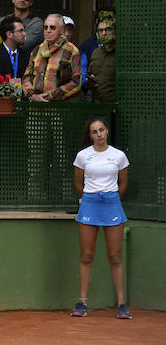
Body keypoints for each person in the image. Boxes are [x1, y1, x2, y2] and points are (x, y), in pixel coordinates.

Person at [70, 116, 131, 320]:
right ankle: (82, 302)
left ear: (107, 131)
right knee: (86, 256)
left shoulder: (119, 155)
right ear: (90, 135)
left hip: (112, 205)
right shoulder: (82, 156)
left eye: (102, 130)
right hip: (89, 205)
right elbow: (79, 184)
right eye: (94, 132)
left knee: (115, 256)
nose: (99, 135)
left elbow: (123, 184)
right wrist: (91, 199)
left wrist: (111, 198)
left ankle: (122, 304)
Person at [22, 13, 82, 102]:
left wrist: (49, 95)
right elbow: (26, 78)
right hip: (36, 106)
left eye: (52, 27)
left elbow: (76, 82)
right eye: (45, 27)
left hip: (61, 106)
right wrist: (32, 96)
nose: (48, 30)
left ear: (62, 30)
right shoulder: (36, 50)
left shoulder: (72, 50)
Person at [0, 15, 30, 82]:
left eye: (24, 30)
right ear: (9, 34)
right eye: (21, 31)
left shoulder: (27, 55)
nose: (24, 34)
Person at [86, 18, 115, 103]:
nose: (104, 33)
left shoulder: (121, 54)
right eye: (101, 30)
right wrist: (88, 81)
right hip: (97, 103)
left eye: (108, 29)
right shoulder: (96, 52)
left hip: (115, 104)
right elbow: (89, 74)